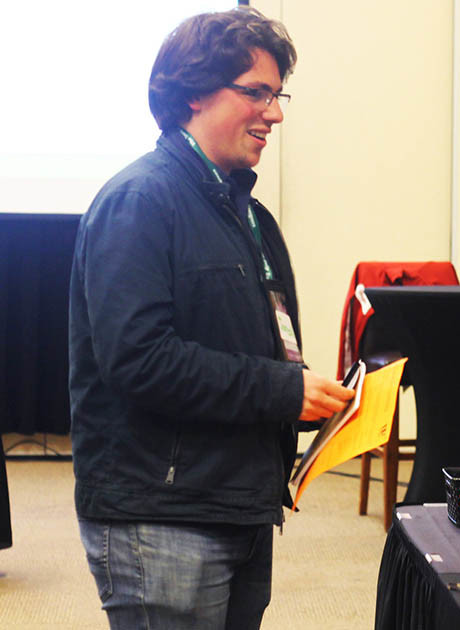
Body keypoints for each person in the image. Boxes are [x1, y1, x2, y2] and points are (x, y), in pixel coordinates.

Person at [68, 8, 354, 629]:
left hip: (238, 504)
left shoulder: (249, 214)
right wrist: (282, 390)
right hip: (161, 516)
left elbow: (256, 343)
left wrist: (313, 402)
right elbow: (138, 360)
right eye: (255, 92)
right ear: (192, 93)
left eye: (277, 95)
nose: (274, 113)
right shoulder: (140, 203)